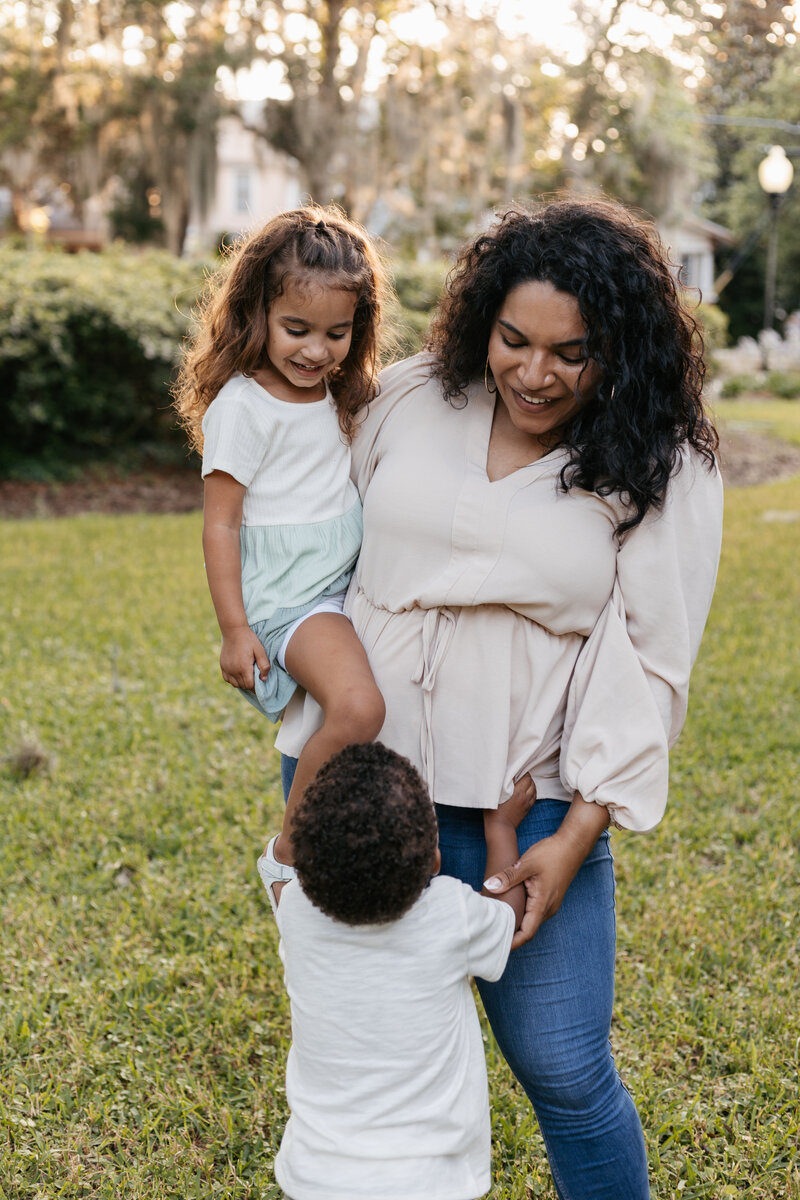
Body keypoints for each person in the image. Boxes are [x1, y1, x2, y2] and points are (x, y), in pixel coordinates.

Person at [276, 197, 724, 1198]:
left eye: (571, 352)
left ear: (619, 348)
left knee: (564, 1071)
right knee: (365, 1052)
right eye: (513, 340)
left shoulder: (662, 463)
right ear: (482, 320)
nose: (534, 372)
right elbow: (305, 542)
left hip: (528, 808)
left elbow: (653, 661)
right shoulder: (410, 398)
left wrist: (575, 833)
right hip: (363, 792)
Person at [172, 205, 389, 910]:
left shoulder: (339, 396)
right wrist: (235, 628)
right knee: (358, 708)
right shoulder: (243, 406)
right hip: (291, 598)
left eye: (337, 333)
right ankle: (289, 854)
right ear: (256, 314)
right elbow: (221, 526)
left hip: (340, 587)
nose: (316, 351)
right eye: (296, 330)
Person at [273, 741, 534, 1200]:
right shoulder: (449, 913)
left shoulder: (294, 909)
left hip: (316, 1177)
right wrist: (501, 828)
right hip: (430, 1182)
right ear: (435, 861)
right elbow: (507, 915)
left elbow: (280, 867)